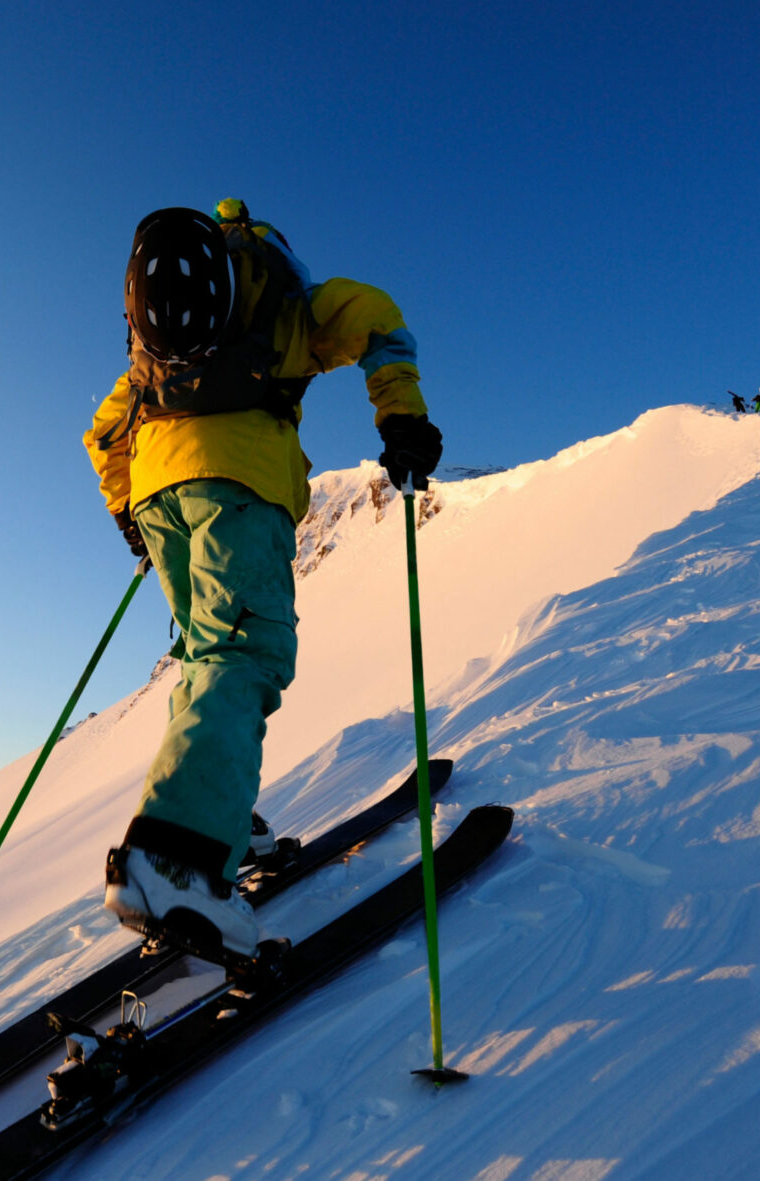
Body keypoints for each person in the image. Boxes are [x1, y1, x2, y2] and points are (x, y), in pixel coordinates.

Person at [85, 200, 442, 959]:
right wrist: (400, 414)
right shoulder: (289, 303)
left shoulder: (156, 356)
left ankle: (222, 814)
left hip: (157, 491)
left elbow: (104, 428)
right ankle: (176, 855)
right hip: (240, 482)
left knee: (204, 656)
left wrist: (129, 510)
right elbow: (378, 317)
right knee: (244, 654)